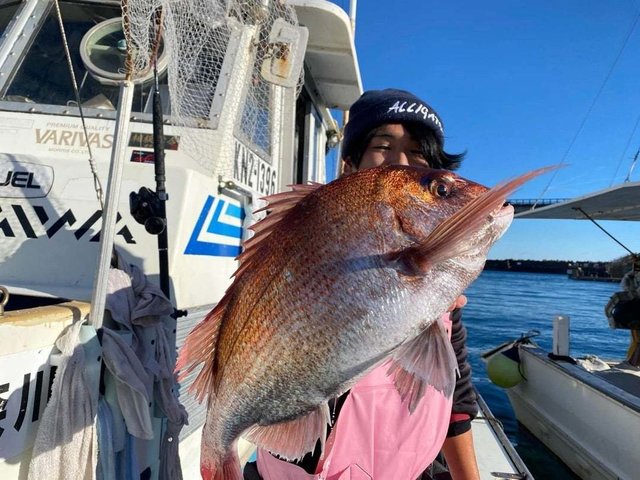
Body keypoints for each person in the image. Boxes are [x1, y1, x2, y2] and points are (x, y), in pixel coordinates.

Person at [246, 89, 480, 480]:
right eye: (382, 146)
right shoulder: (308, 258)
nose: (400, 162)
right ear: (350, 164)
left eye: (419, 155)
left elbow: (456, 401)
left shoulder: (442, 288)